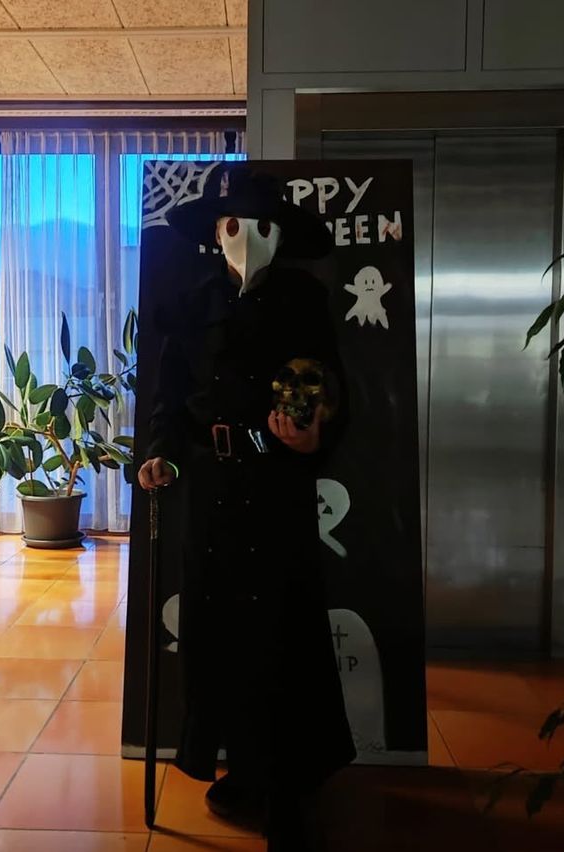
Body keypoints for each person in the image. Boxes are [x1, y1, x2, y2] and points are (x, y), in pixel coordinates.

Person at [138, 164, 356, 851]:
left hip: (278, 486)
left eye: (263, 225)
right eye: (234, 223)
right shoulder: (190, 302)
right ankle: (247, 770)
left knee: (282, 636)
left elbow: (332, 389)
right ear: (216, 230)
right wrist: (160, 453)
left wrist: (314, 436)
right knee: (217, 638)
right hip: (211, 490)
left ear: (280, 235)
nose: (247, 235)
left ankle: (288, 788)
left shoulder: (303, 300)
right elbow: (169, 397)